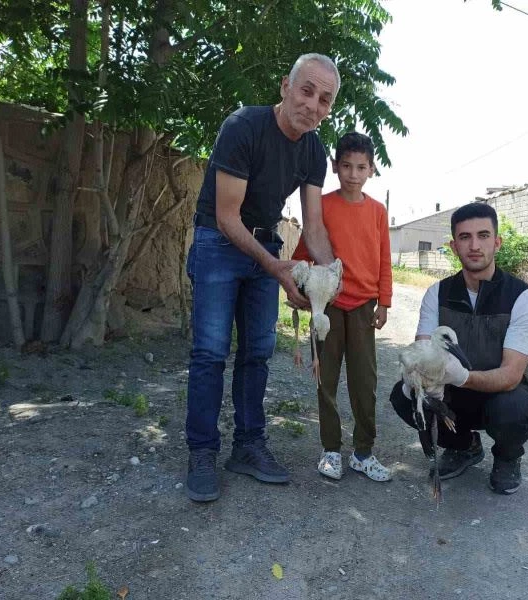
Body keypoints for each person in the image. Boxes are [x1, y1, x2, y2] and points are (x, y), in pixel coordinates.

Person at [184, 53, 340, 502]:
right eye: (307, 90)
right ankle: (201, 452)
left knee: (258, 351)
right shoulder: (242, 127)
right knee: (210, 352)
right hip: (218, 240)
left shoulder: (314, 149)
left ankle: (248, 447)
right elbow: (227, 216)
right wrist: (274, 266)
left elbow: (313, 226)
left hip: (265, 245)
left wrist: (328, 279)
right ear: (284, 87)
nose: (313, 105)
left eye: (324, 100)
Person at [389, 203, 528, 495]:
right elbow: (423, 357)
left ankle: (508, 456)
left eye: (483, 235)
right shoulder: (437, 294)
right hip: (453, 395)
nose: (474, 245)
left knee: (515, 406)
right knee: (405, 396)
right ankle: (463, 446)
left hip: (501, 394)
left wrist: (462, 376)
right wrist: (417, 380)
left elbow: (510, 375)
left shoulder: (522, 298)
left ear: (497, 242)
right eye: (465, 237)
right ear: (453, 246)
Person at [292, 132, 393, 482]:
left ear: (371, 169)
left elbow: (384, 260)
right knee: (327, 378)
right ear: (335, 166)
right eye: (346, 166)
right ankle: (331, 450)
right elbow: (303, 253)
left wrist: (385, 302)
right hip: (328, 307)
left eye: (361, 167)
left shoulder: (378, 212)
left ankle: (363, 453)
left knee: (365, 381)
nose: (353, 173)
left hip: (365, 306)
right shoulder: (323, 208)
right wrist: (299, 290)